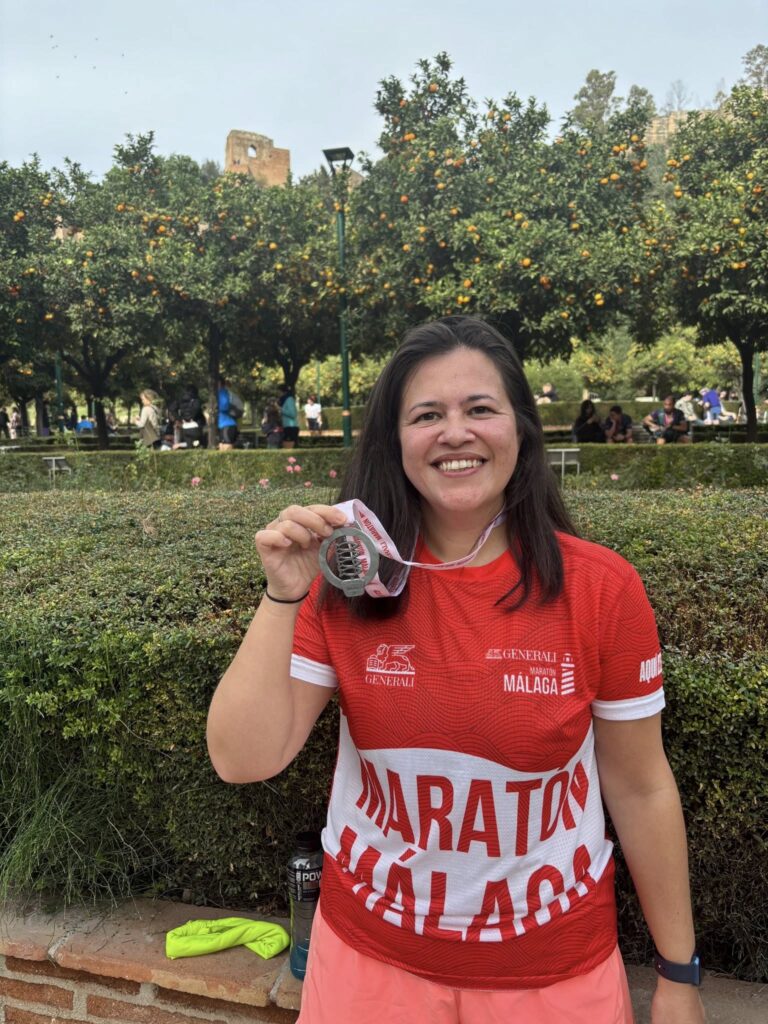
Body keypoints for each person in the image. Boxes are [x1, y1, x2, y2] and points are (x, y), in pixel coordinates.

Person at [208, 316, 704, 1024]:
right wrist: (284, 590)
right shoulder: (345, 584)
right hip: (367, 969)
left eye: (480, 409)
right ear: (397, 441)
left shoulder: (600, 589)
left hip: (554, 976)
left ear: (521, 429)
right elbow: (241, 757)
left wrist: (678, 974)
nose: (455, 433)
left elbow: (641, 785)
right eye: (427, 415)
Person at [217, 377, 239, 451]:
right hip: (223, 425)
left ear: (219, 384)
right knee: (221, 447)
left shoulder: (223, 392)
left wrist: (215, 408)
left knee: (226, 448)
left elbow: (224, 406)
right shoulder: (220, 393)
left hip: (227, 424)